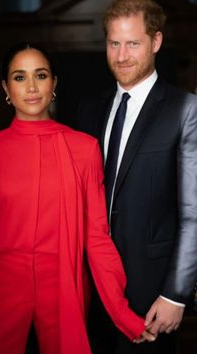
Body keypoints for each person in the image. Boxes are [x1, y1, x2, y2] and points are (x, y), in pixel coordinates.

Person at [0, 43, 155, 354]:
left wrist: (122, 314)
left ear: (54, 84)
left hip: (64, 285)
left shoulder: (84, 149)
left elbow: (97, 238)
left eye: (40, 75)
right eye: (19, 77)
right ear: (6, 88)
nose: (32, 87)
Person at [76, 0, 197, 353]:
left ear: (156, 42)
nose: (122, 55)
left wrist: (175, 294)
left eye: (133, 43)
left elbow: (193, 212)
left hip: (153, 294)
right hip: (94, 290)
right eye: (114, 43)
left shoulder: (184, 109)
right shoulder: (89, 108)